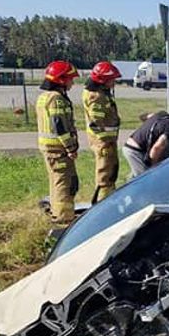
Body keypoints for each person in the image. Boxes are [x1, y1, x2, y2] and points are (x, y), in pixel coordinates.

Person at [37, 61, 80, 226]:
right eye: (70, 79)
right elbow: (59, 125)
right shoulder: (57, 99)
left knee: (56, 181)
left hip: (50, 149)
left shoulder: (44, 97)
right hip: (59, 149)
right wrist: (71, 147)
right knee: (64, 184)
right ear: (61, 80)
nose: (72, 83)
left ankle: (58, 213)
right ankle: (64, 219)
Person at [82, 61, 121, 203]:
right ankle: (103, 203)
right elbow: (96, 123)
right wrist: (105, 141)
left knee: (111, 172)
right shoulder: (97, 97)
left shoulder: (101, 93)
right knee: (105, 175)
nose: (114, 83)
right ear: (102, 81)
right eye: (112, 80)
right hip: (104, 143)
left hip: (108, 142)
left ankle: (109, 200)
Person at [123, 112, 169, 178]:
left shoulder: (163, 114)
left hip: (130, 145)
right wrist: (153, 166)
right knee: (145, 179)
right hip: (135, 151)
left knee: (136, 175)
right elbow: (157, 147)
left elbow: (148, 116)